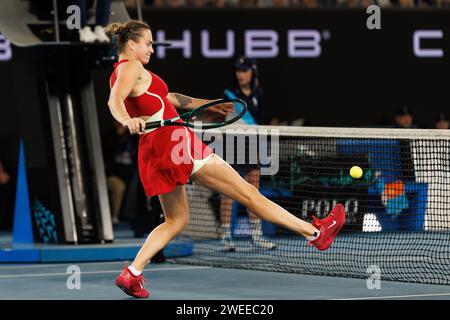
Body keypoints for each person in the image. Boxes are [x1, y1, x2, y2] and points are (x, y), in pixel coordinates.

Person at [106, 20, 345, 299]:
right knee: (249, 193)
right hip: (175, 143)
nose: (151, 49)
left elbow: (169, 97)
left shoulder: (130, 73)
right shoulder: (130, 67)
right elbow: (114, 102)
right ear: (131, 45)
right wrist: (126, 119)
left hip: (154, 151)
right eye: (147, 44)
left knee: (175, 220)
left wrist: (208, 105)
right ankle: (317, 233)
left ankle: (132, 273)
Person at [219, 56, 275, 251]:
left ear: (252, 72)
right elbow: (224, 119)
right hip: (233, 146)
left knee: (254, 191)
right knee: (229, 193)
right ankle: (225, 235)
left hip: (252, 146)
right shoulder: (229, 93)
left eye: (244, 70)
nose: (240, 74)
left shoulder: (258, 94)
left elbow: (257, 123)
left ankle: (257, 235)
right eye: (238, 70)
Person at [103, 121, 138, 224]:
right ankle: (114, 217)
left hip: (129, 175)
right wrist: (117, 135)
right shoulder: (110, 136)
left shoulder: (132, 137)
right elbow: (106, 155)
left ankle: (130, 217)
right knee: (119, 186)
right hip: (111, 174)